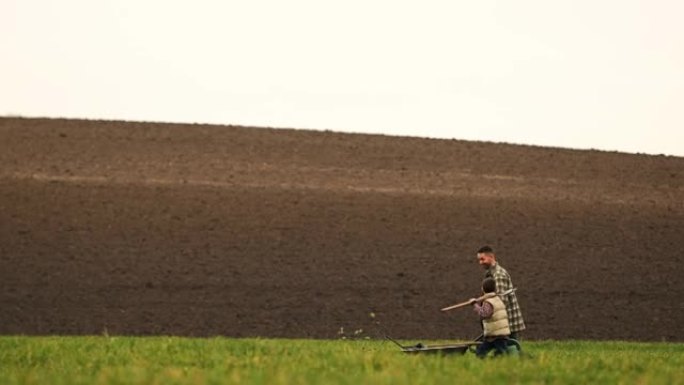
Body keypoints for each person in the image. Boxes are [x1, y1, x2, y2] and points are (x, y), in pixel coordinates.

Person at [477, 245, 525, 340]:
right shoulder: (490, 274)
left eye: (483, 259)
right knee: (507, 350)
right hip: (502, 322)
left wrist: (485, 311)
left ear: (491, 257)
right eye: (479, 260)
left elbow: (501, 301)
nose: (480, 262)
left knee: (510, 347)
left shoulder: (498, 275)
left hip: (507, 321)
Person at [471, 277, 510, 358]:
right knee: (481, 352)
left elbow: (484, 314)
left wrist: (475, 305)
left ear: (483, 289)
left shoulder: (488, 302)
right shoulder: (497, 299)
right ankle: (493, 361)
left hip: (496, 334)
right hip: (496, 333)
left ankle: (503, 361)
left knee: (502, 353)